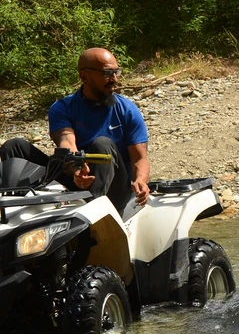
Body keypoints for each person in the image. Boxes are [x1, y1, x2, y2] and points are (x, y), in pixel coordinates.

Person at [0, 47, 150, 212]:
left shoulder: (127, 110)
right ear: (85, 76)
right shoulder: (63, 108)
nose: (114, 79)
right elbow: (66, 143)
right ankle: (13, 209)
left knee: (102, 144)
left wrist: (141, 181)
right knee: (14, 146)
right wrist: (77, 171)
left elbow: (139, 159)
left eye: (116, 72)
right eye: (107, 73)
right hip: (78, 178)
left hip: (114, 189)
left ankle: (94, 212)